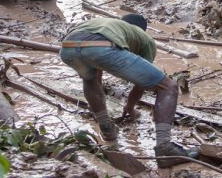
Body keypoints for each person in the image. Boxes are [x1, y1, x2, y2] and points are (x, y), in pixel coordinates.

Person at [59, 14, 198, 168]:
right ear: (141, 30)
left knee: (90, 80)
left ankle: (107, 130)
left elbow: (96, 78)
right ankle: (165, 149)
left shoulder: (105, 25)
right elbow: (141, 84)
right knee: (168, 87)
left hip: (68, 47)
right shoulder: (145, 39)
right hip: (101, 47)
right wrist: (130, 107)